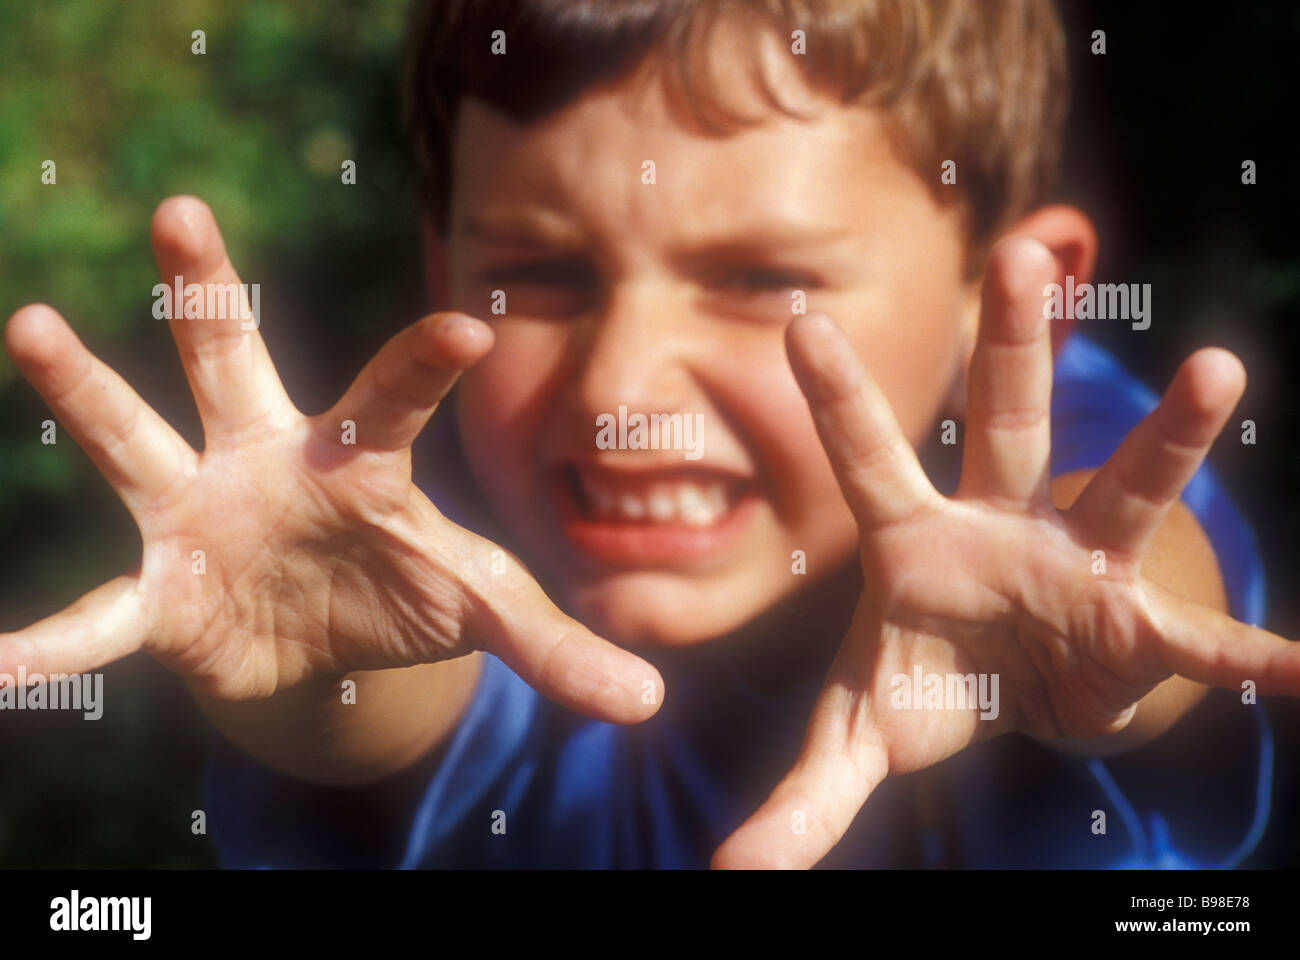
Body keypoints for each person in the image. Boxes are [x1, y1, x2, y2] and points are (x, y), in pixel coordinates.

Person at [3, 0, 1291, 868]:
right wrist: (310, 651)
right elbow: (406, 692)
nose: (618, 385)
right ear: (445, 270)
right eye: (540, 277)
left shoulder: (1060, 465)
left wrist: (1096, 632)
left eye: (762, 281)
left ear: (1016, 304)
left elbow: (1147, 589)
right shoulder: (421, 496)